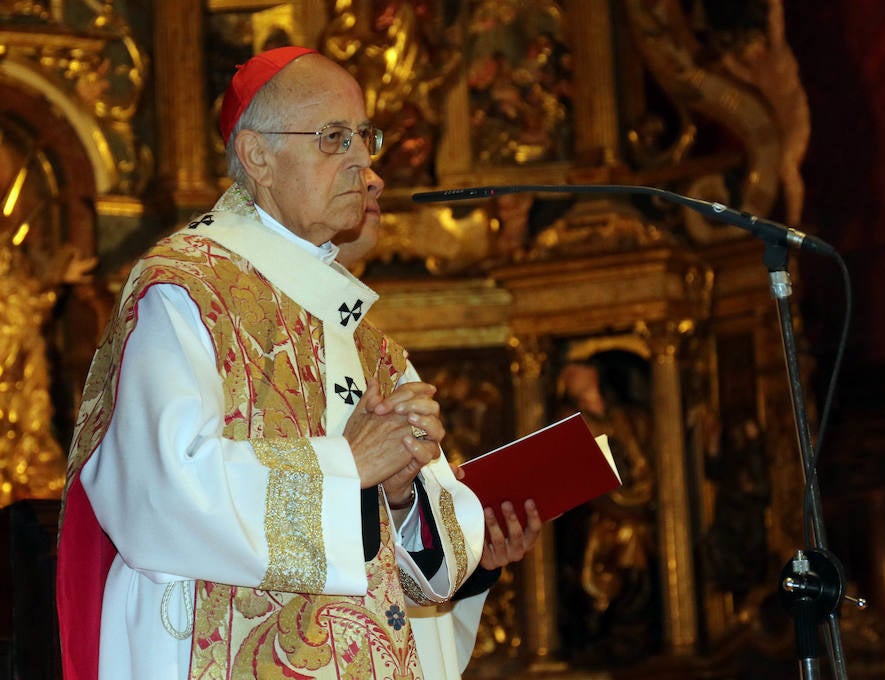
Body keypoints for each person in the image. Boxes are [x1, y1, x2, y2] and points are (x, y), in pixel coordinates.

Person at [56, 46, 541, 680]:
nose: (364, 164)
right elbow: (157, 489)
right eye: (334, 138)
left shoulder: (365, 337)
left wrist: (398, 495)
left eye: (365, 137)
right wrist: (348, 466)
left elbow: (433, 578)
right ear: (257, 156)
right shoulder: (185, 291)